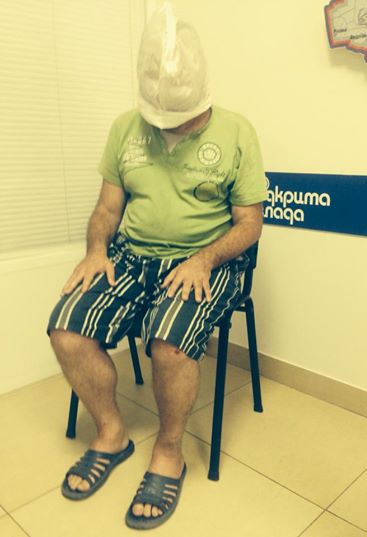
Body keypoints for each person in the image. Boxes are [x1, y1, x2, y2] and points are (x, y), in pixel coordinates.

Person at [47, 5, 267, 530]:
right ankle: (111, 434)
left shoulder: (238, 132)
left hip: (205, 260)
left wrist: (204, 259)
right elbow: (107, 210)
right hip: (131, 254)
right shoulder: (125, 128)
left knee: (169, 343)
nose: (172, 124)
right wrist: (96, 249)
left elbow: (250, 224)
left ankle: (169, 452)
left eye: (184, 117)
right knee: (67, 330)